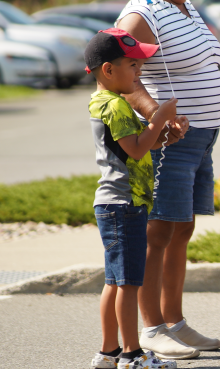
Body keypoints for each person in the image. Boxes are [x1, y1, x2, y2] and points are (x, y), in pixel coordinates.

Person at [116, 0, 220, 359]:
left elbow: (201, 59)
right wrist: (155, 116)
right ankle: (151, 328)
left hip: (201, 138)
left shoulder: (183, 7)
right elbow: (121, 74)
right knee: (160, 230)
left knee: (182, 228)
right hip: (171, 142)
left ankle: (176, 323)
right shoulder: (142, 14)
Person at [85, 28, 183, 369]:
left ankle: (108, 351)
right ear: (108, 70)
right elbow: (138, 148)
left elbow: (142, 147)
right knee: (128, 282)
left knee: (114, 280)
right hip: (123, 204)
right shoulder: (115, 106)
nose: (138, 73)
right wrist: (159, 118)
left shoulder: (109, 103)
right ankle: (131, 354)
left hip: (117, 203)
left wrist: (164, 134)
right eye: (132, 65)